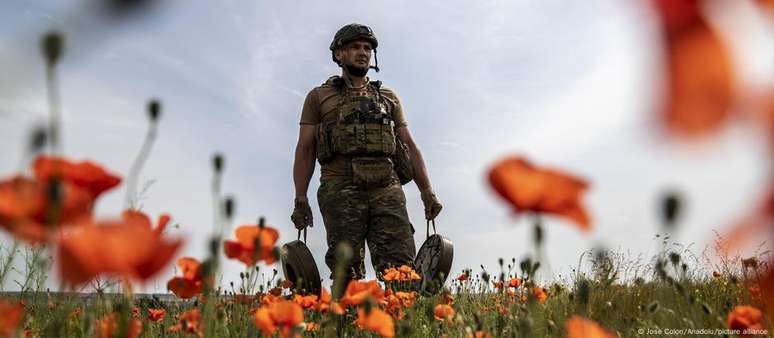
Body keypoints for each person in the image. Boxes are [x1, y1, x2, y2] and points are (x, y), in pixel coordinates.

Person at [291, 23, 442, 289]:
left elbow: (409, 145)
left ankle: (401, 325)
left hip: (387, 188)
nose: (363, 53)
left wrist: (427, 192)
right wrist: (300, 198)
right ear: (339, 54)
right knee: (345, 271)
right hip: (340, 190)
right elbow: (305, 149)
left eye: (367, 48)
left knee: (401, 270)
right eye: (355, 47)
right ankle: (345, 327)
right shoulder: (319, 97)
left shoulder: (388, 97)